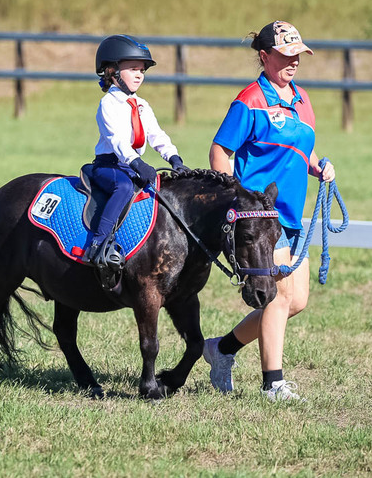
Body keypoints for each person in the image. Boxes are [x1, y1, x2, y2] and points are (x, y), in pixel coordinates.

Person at [203, 21, 336, 402]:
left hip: (294, 213)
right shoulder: (250, 100)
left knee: (297, 302)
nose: (293, 61)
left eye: (298, 55)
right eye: (285, 55)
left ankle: (222, 349)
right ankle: (273, 383)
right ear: (264, 56)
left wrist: (317, 166)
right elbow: (220, 152)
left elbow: (301, 148)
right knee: (277, 298)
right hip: (262, 220)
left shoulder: (302, 99)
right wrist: (236, 200)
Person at [82, 34, 189, 266]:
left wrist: (174, 158)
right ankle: (97, 244)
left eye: (142, 70)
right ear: (112, 72)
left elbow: (156, 135)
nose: (139, 74)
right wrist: (138, 164)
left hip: (130, 165)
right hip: (109, 165)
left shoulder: (142, 105)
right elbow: (118, 141)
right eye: (132, 69)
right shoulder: (109, 104)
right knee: (122, 187)